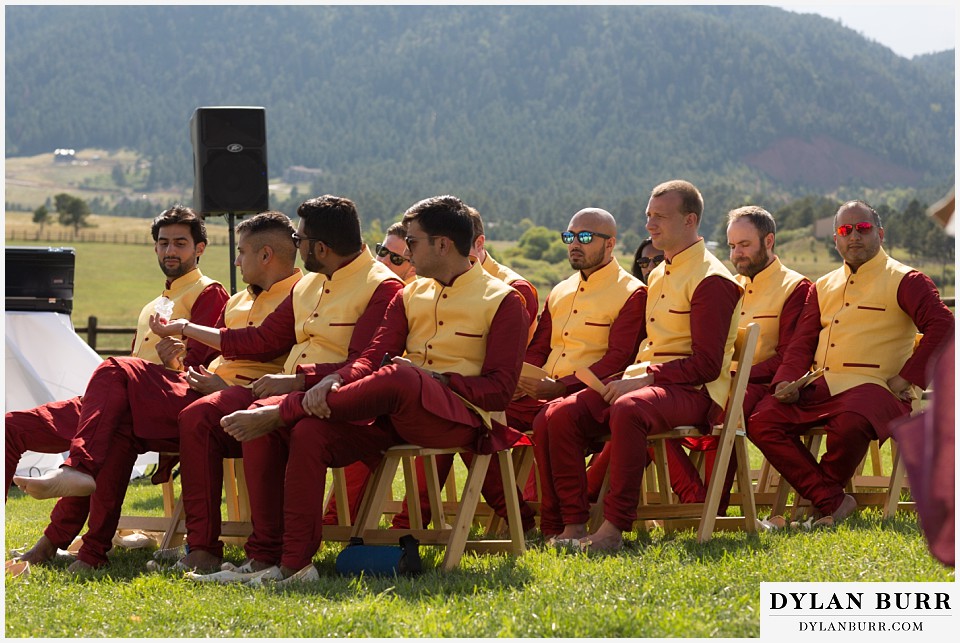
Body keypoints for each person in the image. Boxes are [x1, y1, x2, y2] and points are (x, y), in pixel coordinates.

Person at [181, 194, 529, 584]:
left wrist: (439, 380)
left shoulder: (503, 300)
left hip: (455, 418)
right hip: (391, 413)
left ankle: (284, 408)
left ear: (442, 244)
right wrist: (333, 378)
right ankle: (285, 564)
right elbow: (371, 359)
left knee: (401, 377)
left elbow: (499, 391)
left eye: (411, 242)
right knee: (309, 430)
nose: (404, 251)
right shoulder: (410, 294)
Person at [14, 212, 302, 571]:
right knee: (26, 423)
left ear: (200, 249)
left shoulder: (280, 293)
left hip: (211, 395)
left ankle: (78, 493)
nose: (236, 259)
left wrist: (185, 353)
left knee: (115, 371)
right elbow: (200, 363)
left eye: (179, 243)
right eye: (163, 242)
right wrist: (179, 365)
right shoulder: (234, 301)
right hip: (145, 393)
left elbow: (259, 345)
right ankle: (84, 550)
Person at [147, 195, 405, 571]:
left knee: (282, 425)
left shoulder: (383, 286)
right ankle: (243, 554)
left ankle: (287, 561)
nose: (295, 246)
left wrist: (295, 382)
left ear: (319, 246)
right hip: (291, 397)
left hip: (349, 409)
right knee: (217, 417)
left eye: (299, 239)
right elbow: (262, 340)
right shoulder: (309, 284)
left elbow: (365, 365)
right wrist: (185, 328)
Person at [533, 179, 743, 551]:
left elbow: (707, 366)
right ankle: (567, 526)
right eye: (649, 216)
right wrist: (635, 378)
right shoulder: (660, 272)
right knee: (556, 415)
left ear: (690, 220)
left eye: (660, 217)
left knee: (630, 409)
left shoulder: (712, 279)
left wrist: (645, 378)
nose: (649, 225)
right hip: (648, 384)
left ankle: (613, 528)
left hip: (694, 393)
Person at [748, 200, 953, 527]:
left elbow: (945, 326)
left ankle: (818, 508)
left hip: (876, 391)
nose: (854, 236)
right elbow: (802, 342)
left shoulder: (906, 279)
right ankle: (831, 500)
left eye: (863, 228)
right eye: (845, 230)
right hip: (821, 386)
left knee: (850, 422)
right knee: (762, 420)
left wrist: (907, 378)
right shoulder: (823, 285)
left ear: (880, 234)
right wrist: (785, 382)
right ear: (836, 239)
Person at [389, 204, 546, 531]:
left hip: (492, 396)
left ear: (471, 243)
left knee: (473, 431)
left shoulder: (510, 291)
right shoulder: (418, 287)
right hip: (428, 393)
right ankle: (522, 524)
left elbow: (503, 372)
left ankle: (407, 529)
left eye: (413, 243)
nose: (407, 254)